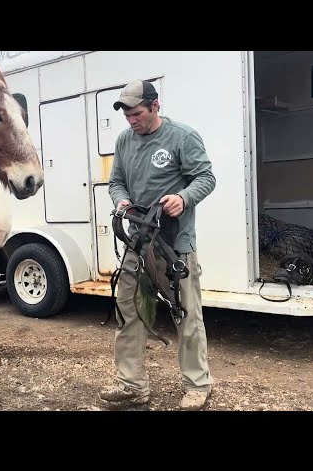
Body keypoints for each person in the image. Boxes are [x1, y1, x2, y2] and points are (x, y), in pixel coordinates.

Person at [99, 79, 216, 410]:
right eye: (127, 116)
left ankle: (197, 384)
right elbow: (117, 181)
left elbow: (206, 178)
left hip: (174, 244)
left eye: (137, 114)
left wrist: (183, 197)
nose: (132, 121)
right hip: (137, 242)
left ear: (155, 106)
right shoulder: (124, 140)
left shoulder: (182, 137)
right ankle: (131, 384)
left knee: (187, 313)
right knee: (131, 309)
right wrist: (122, 200)